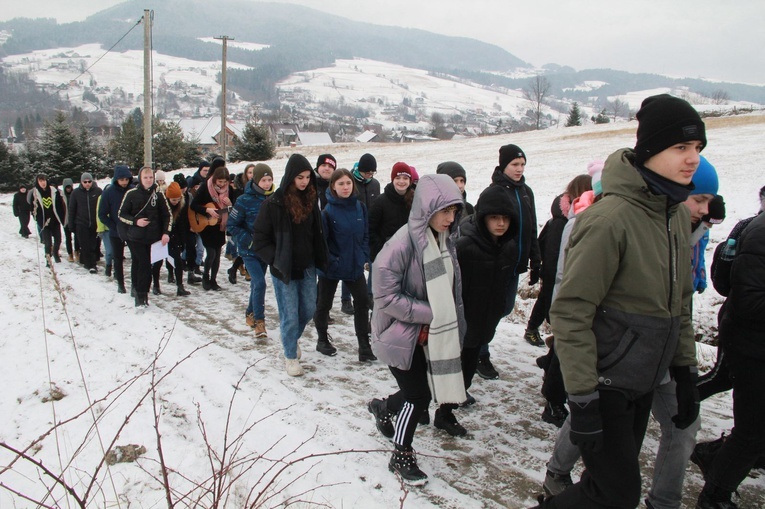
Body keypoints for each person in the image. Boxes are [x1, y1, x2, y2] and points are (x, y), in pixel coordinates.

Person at [531, 94, 705, 509]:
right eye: (680, 147)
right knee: (617, 494)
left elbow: (680, 302)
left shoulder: (676, 215)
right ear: (649, 150)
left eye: (697, 148)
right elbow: (570, 312)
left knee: (604, 490)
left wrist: (684, 370)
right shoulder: (609, 220)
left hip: (644, 380)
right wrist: (583, 399)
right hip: (605, 382)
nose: (692, 159)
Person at [367, 173, 467, 486]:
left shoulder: (444, 242)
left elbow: (452, 293)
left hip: (428, 336)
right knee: (419, 396)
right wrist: (429, 313)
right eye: (444, 211)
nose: (450, 218)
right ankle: (401, 454)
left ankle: (383, 407)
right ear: (426, 208)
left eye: (454, 211)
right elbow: (384, 296)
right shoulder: (400, 245)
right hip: (399, 334)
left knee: (415, 391)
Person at [695, 209, 765, 508]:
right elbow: (748, 298)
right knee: (751, 428)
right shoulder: (759, 232)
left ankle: (716, 456)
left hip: (750, 339)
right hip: (750, 343)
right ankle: (714, 495)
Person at [438, 185, 518, 436]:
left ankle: (444, 413)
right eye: (495, 217)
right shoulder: (465, 246)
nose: (501, 223)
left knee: (467, 373)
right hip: (458, 321)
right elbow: (449, 286)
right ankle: (412, 407)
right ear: (483, 217)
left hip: (484, 322)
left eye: (505, 218)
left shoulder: (508, 247)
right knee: (441, 373)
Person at [252, 153, 328, 376]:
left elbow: (316, 233)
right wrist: (275, 259)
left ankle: (291, 338)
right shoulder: (274, 204)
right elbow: (259, 238)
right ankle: (290, 356)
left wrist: (321, 256)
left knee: (308, 309)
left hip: (307, 267)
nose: (304, 181)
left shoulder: (311, 200)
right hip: (283, 269)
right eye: (300, 177)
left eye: (307, 177)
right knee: (290, 315)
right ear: (290, 177)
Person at [529, 174, 593, 428]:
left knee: (562, 350)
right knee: (564, 352)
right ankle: (553, 401)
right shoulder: (563, 223)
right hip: (566, 298)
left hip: (573, 298)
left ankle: (551, 372)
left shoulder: (575, 220)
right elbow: (557, 268)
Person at [478, 143, 541, 380]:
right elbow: (483, 230)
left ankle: (479, 345)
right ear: (504, 165)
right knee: (492, 308)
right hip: (497, 263)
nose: (519, 169)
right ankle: (480, 352)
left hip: (517, 264)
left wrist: (535, 258)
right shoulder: (493, 192)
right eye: (515, 164)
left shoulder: (526, 192)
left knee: (503, 308)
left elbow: (531, 226)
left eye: (522, 164)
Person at [313, 168, 376, 361]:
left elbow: (365, 233)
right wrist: (334, 260)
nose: (345, 187)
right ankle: (322, 339)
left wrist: (363, 254)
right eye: (340, 184)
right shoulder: (327, 211)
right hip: (331, 268)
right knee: (324, 304)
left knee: (362, 302)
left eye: (348, 183)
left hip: (354, 265)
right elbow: (322, 243)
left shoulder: (360, 207)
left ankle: (364, 346)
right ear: (333, 187)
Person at [525, 175, 592, 348]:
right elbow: (555, 249)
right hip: (554, 269)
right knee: (547, 297)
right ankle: (532, 329)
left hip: (556, 268)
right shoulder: (562, 221)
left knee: (545, 297)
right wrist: (552, 272)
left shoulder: (569, 215)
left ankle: (534, 329)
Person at [227, 163, 275, 338]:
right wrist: (248, 241)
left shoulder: (274, 198)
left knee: (257, 283)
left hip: (266, 250)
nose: (267, 183)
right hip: (249, 251)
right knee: (260, 283)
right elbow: (232, 225)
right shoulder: (243, 200)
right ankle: (259, 322)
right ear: (255, 180)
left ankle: (249, 312)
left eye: (269, 180)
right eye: (263, 180)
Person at [118, 166, 171, 307]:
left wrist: (166, 232)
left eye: (150, 178)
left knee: (140, 264)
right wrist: (136, 221)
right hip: (135, 237)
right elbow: (122, 214)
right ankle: (141, 295)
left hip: (153, 237)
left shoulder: (158, 195)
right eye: (145, 178)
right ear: (140, 179)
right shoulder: (131, 194)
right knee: (144, 264)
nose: (148, 180)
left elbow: (167, 215)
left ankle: (137, 288)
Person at [342, 153, 380, 315]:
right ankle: (346, 299)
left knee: (373, 264)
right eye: (367, 173)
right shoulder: (350, 183)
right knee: (351, 266)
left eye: (372, 173)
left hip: (370, 230)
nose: (369, 176)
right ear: (360, 171)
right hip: (353, 231)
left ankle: (369, 295)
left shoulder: (375, 184)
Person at [190, 163, 232, 291]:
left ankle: (213, 280)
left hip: (219, 225)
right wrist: (207, 210)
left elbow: (234, 207)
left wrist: (230, 203)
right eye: (219, 181)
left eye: (224, 182)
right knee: (211, 253)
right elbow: (193, 205)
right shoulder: (205, 187)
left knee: (217, 253)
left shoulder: (229, 190)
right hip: (206, 224)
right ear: (214, 179)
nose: (221, 184)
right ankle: (205, 277)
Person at [368, 162, 416, 263]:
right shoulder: (380, 201)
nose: (401, 181)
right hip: (383, 256)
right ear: (392, 179)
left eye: (405, 178)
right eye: (398, 178)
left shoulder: (415, 200)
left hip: (407, 255)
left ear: (410, 181)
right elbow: (370, 229)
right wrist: (383, 247)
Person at [98, 165, 134, 293]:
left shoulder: (132, 190)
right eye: (121, 179)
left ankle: (134, 286)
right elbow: (102, 214)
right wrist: (114, 226)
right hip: (116, 231)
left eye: (126, 179)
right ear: (116, 179)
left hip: (131, 230)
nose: (124, 182)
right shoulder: (109, 192)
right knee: (118, 258)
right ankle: (120, 283)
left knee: (135, 258)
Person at [68, 172, 102, 274]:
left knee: (93, 245)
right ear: (81, 182)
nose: (87, 183)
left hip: (94, 223)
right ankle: (90, 264)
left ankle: (91, 262)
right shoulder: (76, 193)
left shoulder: (98, 191)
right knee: (85, 244)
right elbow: (72, 209)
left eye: (89, 181)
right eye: (85, 182)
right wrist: (71, 224)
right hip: (81, 223)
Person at [30, 174, 66, 265]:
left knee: (58, 239)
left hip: (55, 220)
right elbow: (32, 207)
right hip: (44, 222)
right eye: (40, 181)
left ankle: (55, 253)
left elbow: (59, 206)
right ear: (37, 182)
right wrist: (37, 218)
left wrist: (61, 218)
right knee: (48, 242)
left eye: (44, 180)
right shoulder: (35, 193)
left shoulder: (53, 191)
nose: (43, 183)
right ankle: (48, 260)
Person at [164, 182, 192, 297]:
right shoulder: (164, 206)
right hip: (165, 235)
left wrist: (183, 239)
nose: (175, 202)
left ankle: (180, 286)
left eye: (177, 199)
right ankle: (156, 283)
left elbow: (184, 222)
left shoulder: (183, 205)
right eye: (173, 200)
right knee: (160, 260)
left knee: (178, 260)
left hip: (177, 236)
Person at [61, 177, 77, 262]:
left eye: (69, 187)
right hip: (66, 220)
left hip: (75, 219)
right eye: (66, 187)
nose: (68, 189)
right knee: (68, 238)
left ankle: (77, 251)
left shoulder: (75, 194)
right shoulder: (61, 196)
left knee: (77, 237)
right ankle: (70, 254)